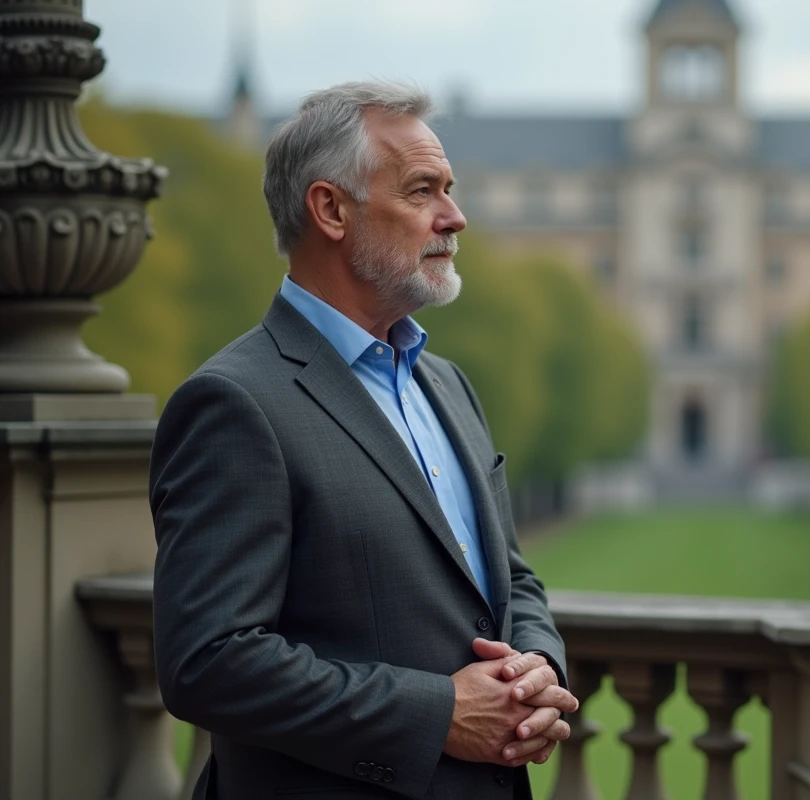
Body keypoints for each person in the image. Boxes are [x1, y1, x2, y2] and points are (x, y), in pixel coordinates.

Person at [150, 81, 579, 800]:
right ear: (330, 210)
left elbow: (511, 578)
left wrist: (538, 667)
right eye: (423, 191)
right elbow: (208, 662)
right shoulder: (233, 402)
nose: (456, 217)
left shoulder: (448, 385)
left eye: (450, 189)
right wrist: (438, 715)